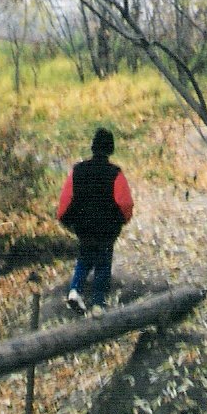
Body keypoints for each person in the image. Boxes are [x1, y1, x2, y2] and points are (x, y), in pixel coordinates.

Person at [56, 128, 133, 314]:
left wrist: (64, 219)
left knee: (84, 259)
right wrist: (123, 220)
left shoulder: (78, 170)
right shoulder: (116, 173)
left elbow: (66, 199)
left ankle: (75, 290)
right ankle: (98, 304)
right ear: (110, 149)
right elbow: (125, 203)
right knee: (103, 264)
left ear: (93, 147)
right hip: (107, 228)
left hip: (83, 226)